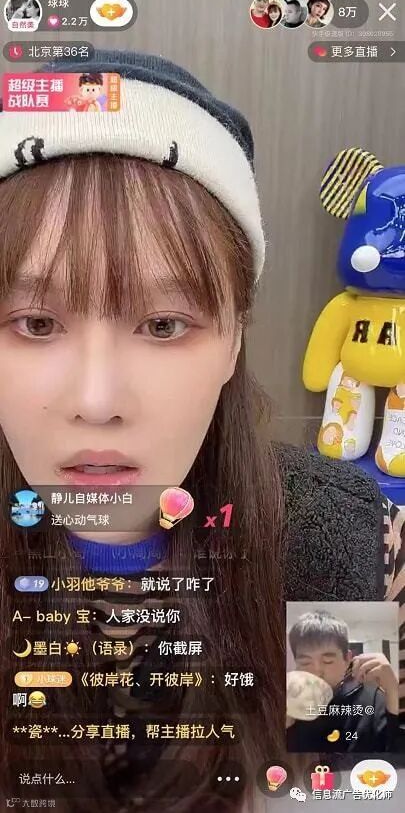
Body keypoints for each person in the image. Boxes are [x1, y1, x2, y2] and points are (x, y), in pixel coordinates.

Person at [0, 48, 403, 813]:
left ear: (233, 338)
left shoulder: (350, 538)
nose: (97, 401)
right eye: (36, 322)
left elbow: (357, 782)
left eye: (163, 323)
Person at [287, 611, 399, 752]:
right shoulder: (290, 702)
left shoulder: (373, 699)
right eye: (305, 662)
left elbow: (395, 754)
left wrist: (394, 692)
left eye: (328, 661)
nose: (316, 671)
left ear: (347, 659)